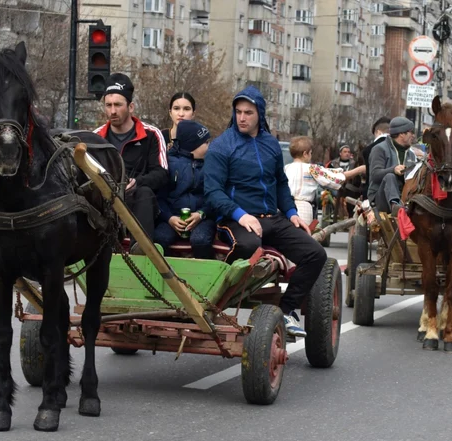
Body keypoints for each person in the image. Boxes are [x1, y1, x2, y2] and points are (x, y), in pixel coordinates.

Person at [204, 86, 327, 338]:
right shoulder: (222, 146)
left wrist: (292, 212)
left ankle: (286, 311)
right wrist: (241, 215)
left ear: (259, 113)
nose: (242, 117)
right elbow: (213, 192)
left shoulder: (271, 144)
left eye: (248, 112)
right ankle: (213, 301)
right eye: (238, 112)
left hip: (273, 218)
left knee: (315, 254)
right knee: (249, 246)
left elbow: (280, 183)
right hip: (236, 218)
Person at [94, 73, 168, 251]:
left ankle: (141, 249)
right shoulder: (95, 137)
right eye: (108, 105)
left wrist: (137, 182)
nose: (112, 111)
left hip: (140, 203)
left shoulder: (151, 134)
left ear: (131, 106)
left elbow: (162, 173)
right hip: (105, 200)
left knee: (144, 192)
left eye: (118, 105)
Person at [155, 120, 216, 259]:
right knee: (159, 238)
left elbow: (214, 196)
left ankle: (205, 275)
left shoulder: (210, 165)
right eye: (205, 143)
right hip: (173, 217)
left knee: (200, 240)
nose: (209, 146)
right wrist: (169, 218)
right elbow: (160, 197)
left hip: (201, 217)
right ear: (192, 145)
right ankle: (166, 274)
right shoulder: (169, 164)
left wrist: (202, 214)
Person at [284, 136, 366, 224]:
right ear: (305, 154)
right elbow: (337, 178)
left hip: (285, 208)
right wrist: (360, 169)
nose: (311, 156)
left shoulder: (285, 168)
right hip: (302, 208)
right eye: (311, 153)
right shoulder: (311, 169)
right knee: (301, 235)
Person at [367, 116, 418, 215]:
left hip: (403, 198)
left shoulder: (411, 154)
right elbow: (375, 175)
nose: (413, 135)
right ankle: (395, 206)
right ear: (402, 134)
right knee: (390, 176)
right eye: (411, 132)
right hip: (379, 198)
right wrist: (393, 169)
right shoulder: (380, 149)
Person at [361, 117, 390, 201]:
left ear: (377, 132)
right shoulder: (400, 147)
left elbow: (369, 176)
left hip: (374, 196)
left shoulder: (369, 149)